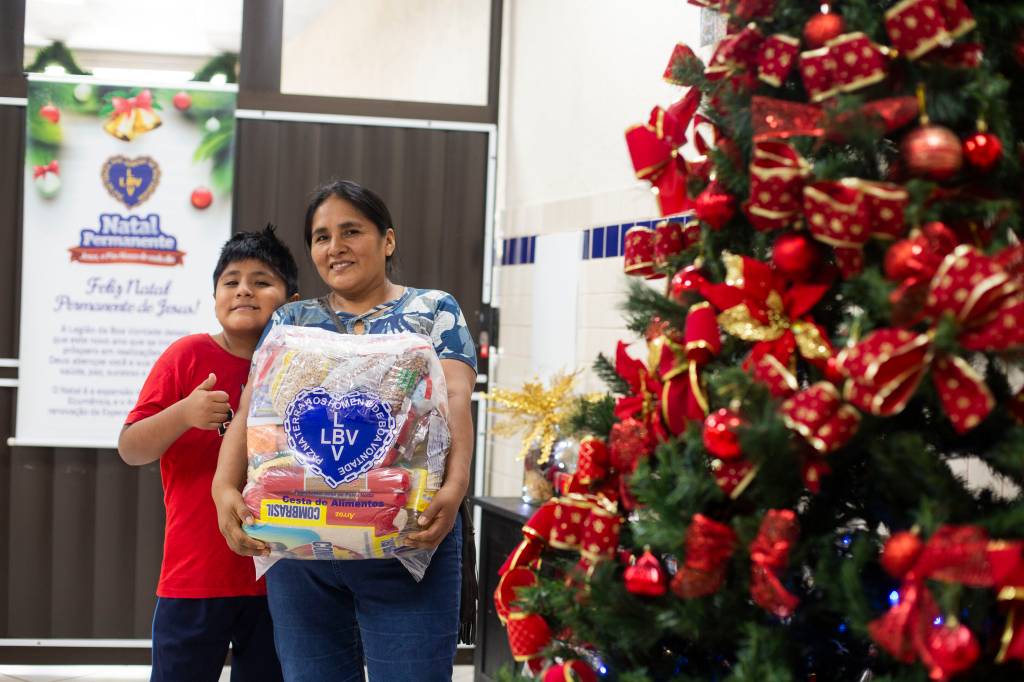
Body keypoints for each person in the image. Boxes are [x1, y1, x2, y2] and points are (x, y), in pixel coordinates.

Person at [212, 180, 477, 682]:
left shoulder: (433, 310)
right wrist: (223, 484)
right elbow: (256, 409)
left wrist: (457, 483)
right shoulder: (293, 317)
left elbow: (455, 400)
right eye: (321, 236)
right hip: (301, 545)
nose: (335, 247)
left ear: (388, 240)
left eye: (351, 231)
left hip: (407, 540)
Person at [119, 226, 299, 682]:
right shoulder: (186, 356)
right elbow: (131, 448)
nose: (244, 289)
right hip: (194, 575)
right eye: (231, 281)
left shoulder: (304, 364)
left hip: (281, 577)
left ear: (290, 298)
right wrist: (184, 413)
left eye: (262, 281)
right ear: (215, 295)